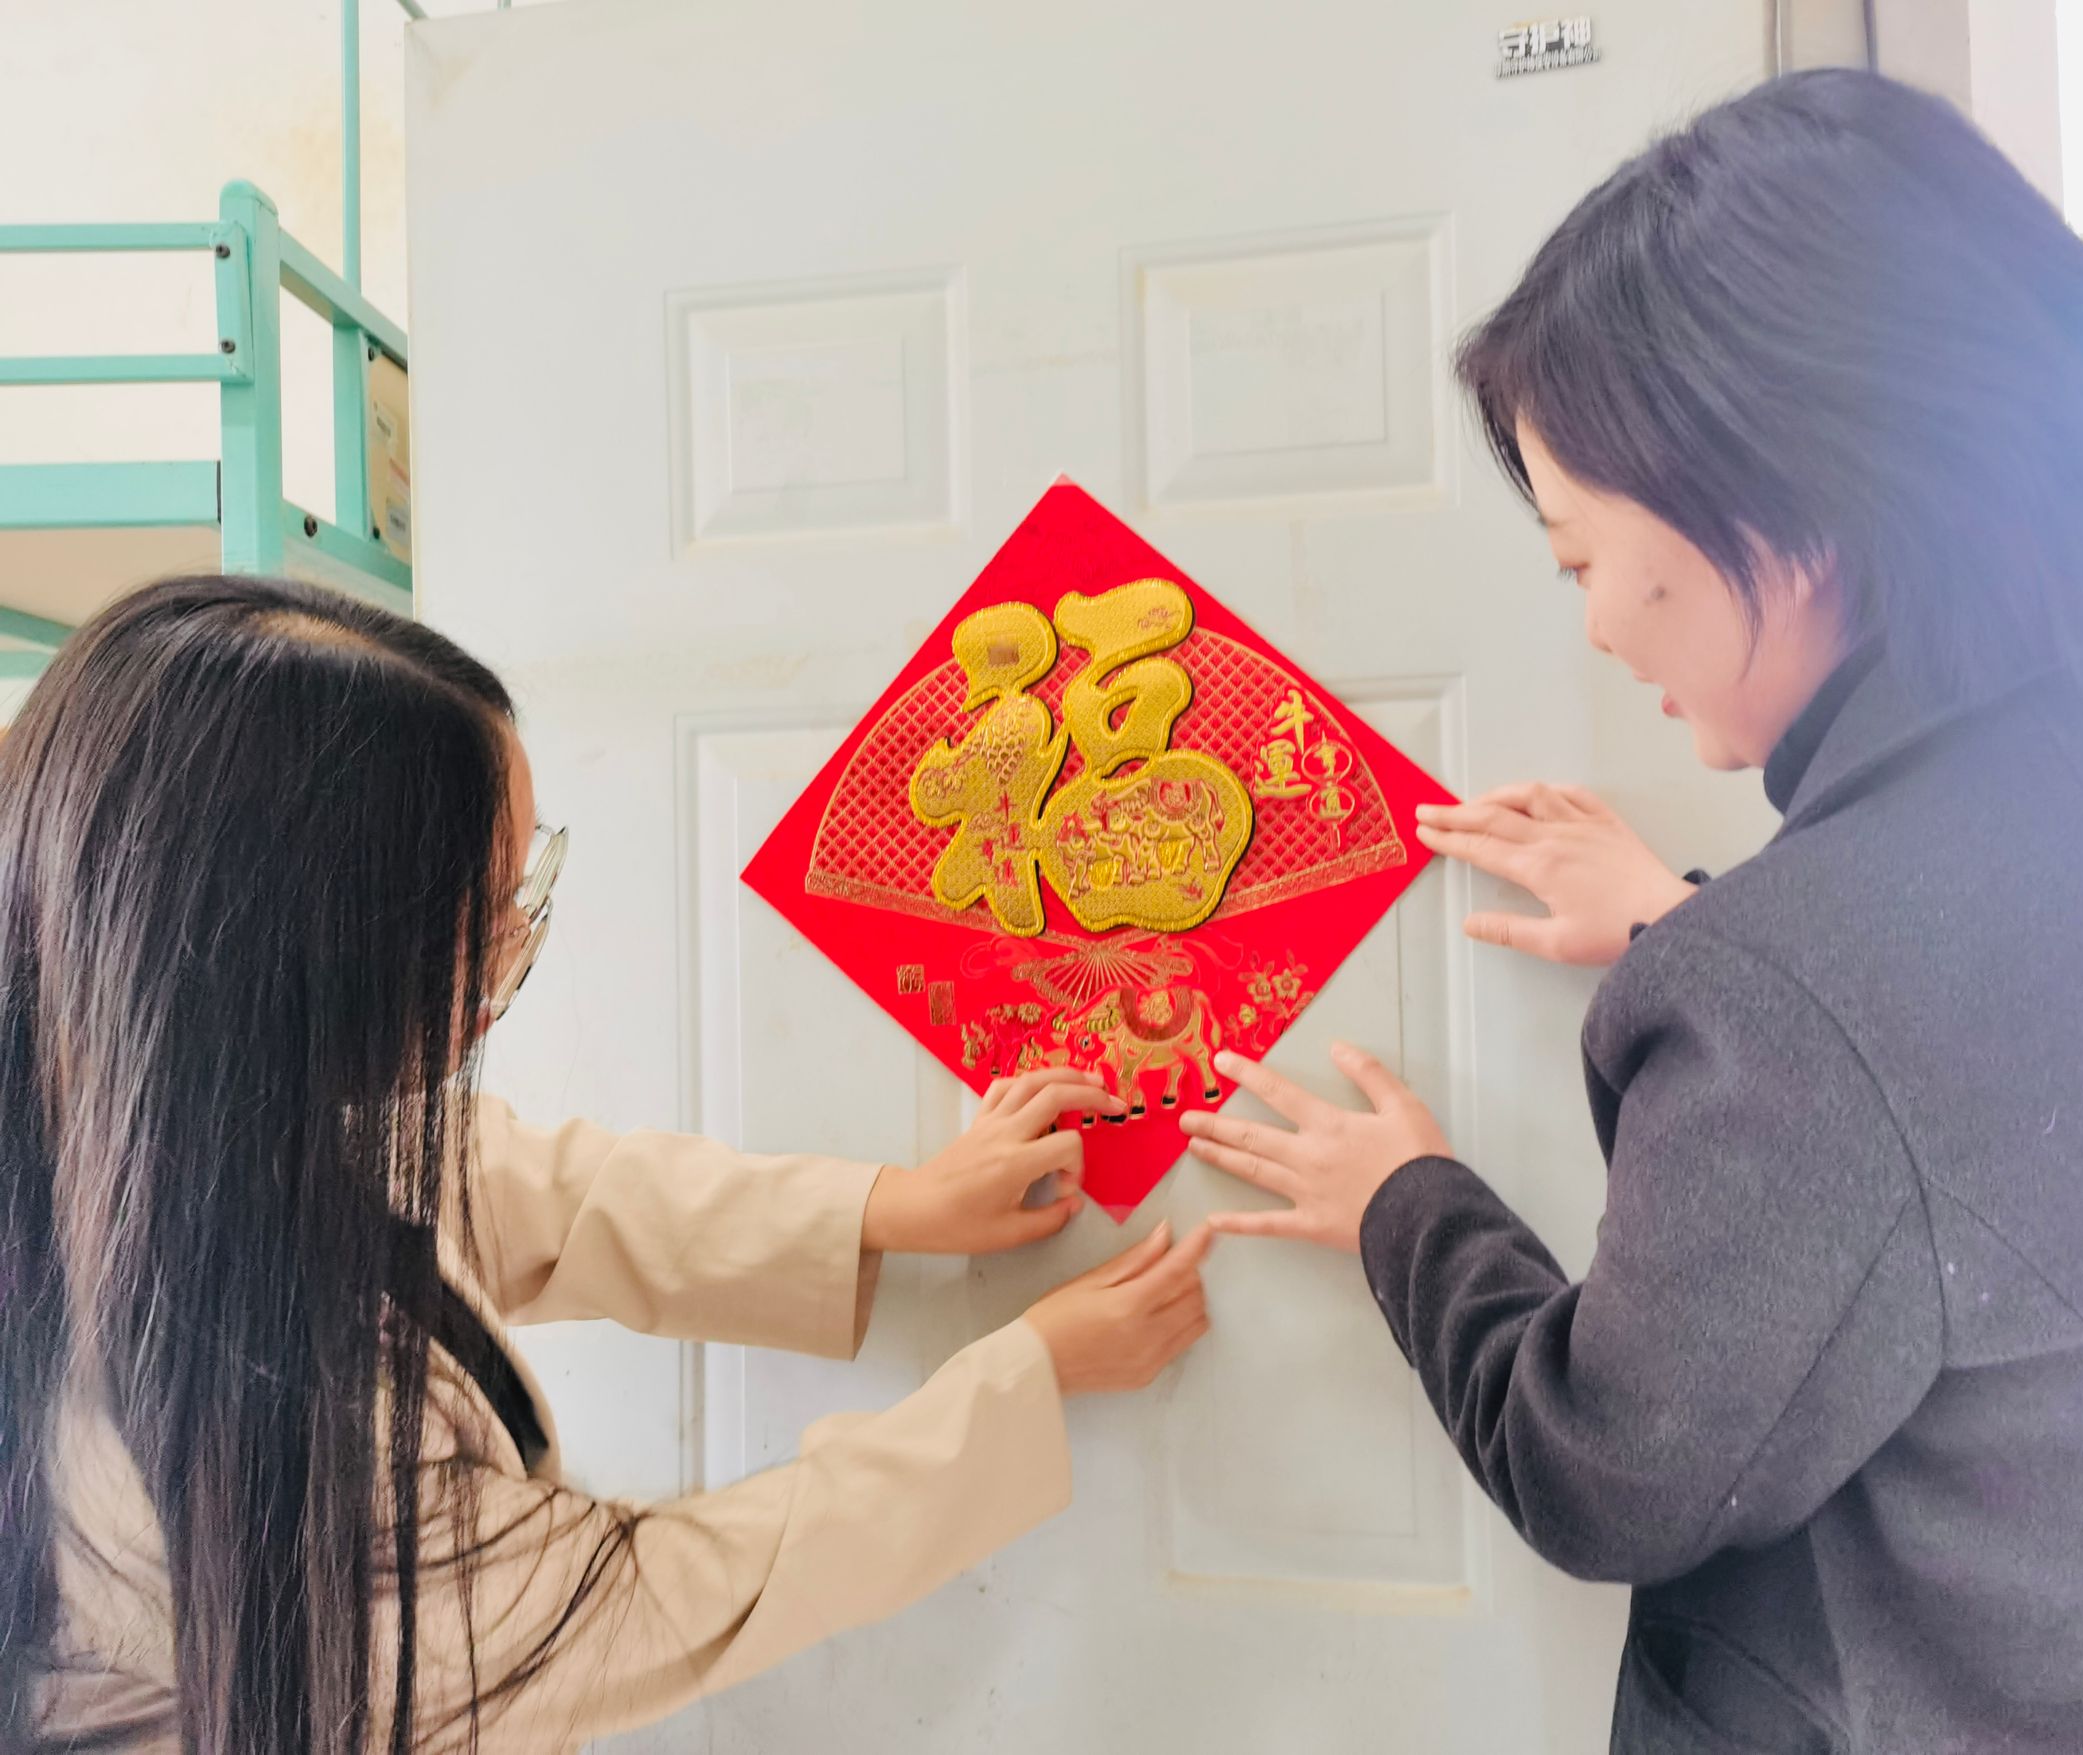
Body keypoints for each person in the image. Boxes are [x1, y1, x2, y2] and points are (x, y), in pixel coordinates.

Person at [1181, 69, 2083, 1754]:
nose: (1594, 629)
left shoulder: (1791, 991)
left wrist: (1403, 1205)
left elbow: (1611, 1473)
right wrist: (1687, 920)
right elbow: (2067, 1051)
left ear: (1778, 519)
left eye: (1582, 558)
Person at [0, 573, 1212, 1754]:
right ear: (303, 954)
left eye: (520, 889)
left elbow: (544, 1192)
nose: (512, 949)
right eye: (479, 915)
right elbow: (637, 1607)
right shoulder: (235, 1436)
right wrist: (1023, 1385)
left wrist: (891, 1208)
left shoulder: (191, 1110)